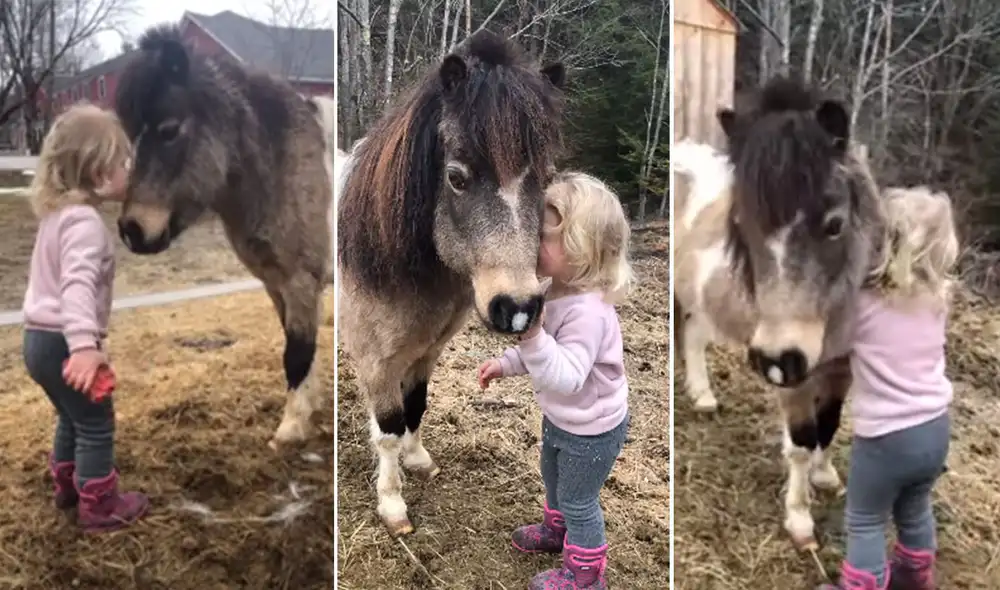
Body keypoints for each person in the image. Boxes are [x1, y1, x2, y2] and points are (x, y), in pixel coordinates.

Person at [477, 172, 633, 590]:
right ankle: (557, 530)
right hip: (565, 420)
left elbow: (564, 376)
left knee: (580, 499)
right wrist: (507, 362)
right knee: (553, 477)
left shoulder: (588, 313)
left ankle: (585, 573)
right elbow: (543, 351)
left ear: (581, 251)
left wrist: (530, 336)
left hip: (593, 431)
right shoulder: (556, 291)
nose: (530, 241)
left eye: (542, 235)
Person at [821, 187, 959, 590]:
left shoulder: (862, 305)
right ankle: (915, 576)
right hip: (935, 429)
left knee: (864, 519)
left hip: (886, 438)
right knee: (915, 507)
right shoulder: (938, 298)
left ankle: (862, 584)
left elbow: (831, 348)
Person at [21, 103, 149, 533]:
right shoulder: (85, 226)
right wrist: (83, 347)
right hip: (63, 341)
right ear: (97, 172)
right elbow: (75, 288)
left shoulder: (57, 217)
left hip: (37, 339)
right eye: (122, 161)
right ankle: (100, 506)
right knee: (95, 423)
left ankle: (67, 486)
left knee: (69, 416)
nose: (129, 169)